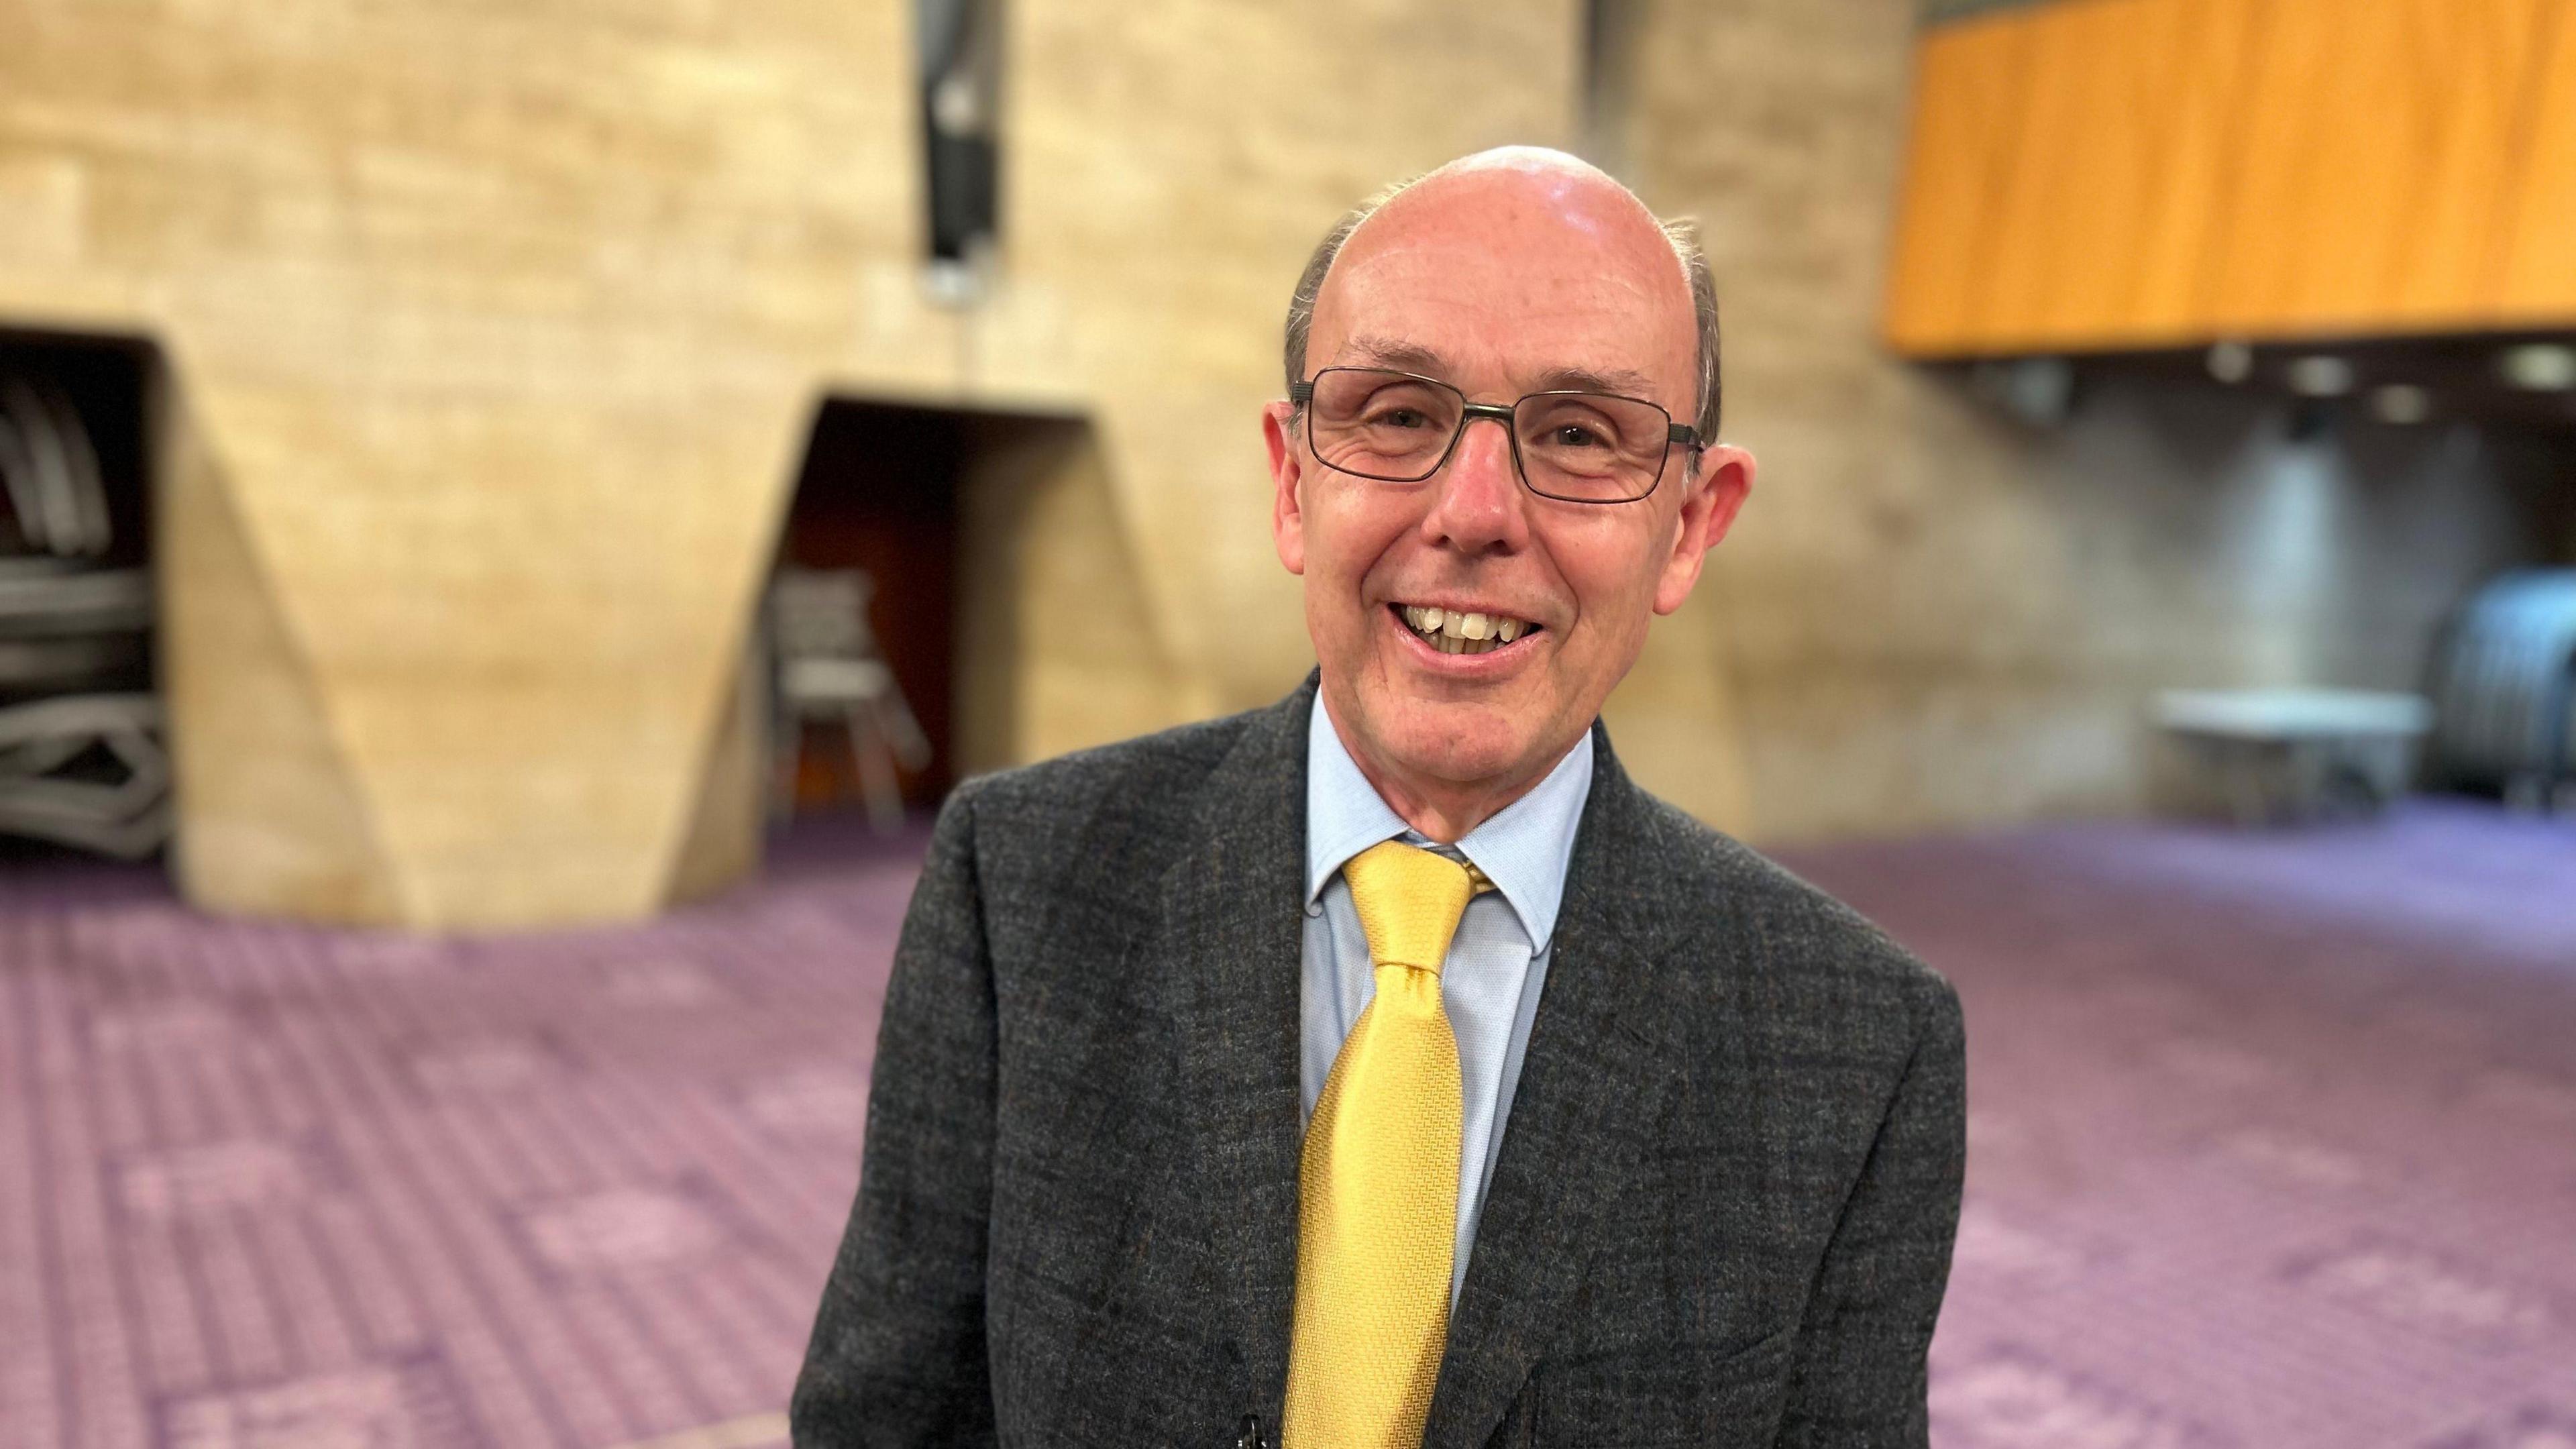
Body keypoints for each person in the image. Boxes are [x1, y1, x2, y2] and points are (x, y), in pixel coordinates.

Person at [790, 146, 1964, 1448]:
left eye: (1579, 435)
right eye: (1399, 415)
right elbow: (886, 1422)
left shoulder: (1862, 1040)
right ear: (1295, 482)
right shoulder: (1021, 883)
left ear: (1691, 522)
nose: (1474, 514)